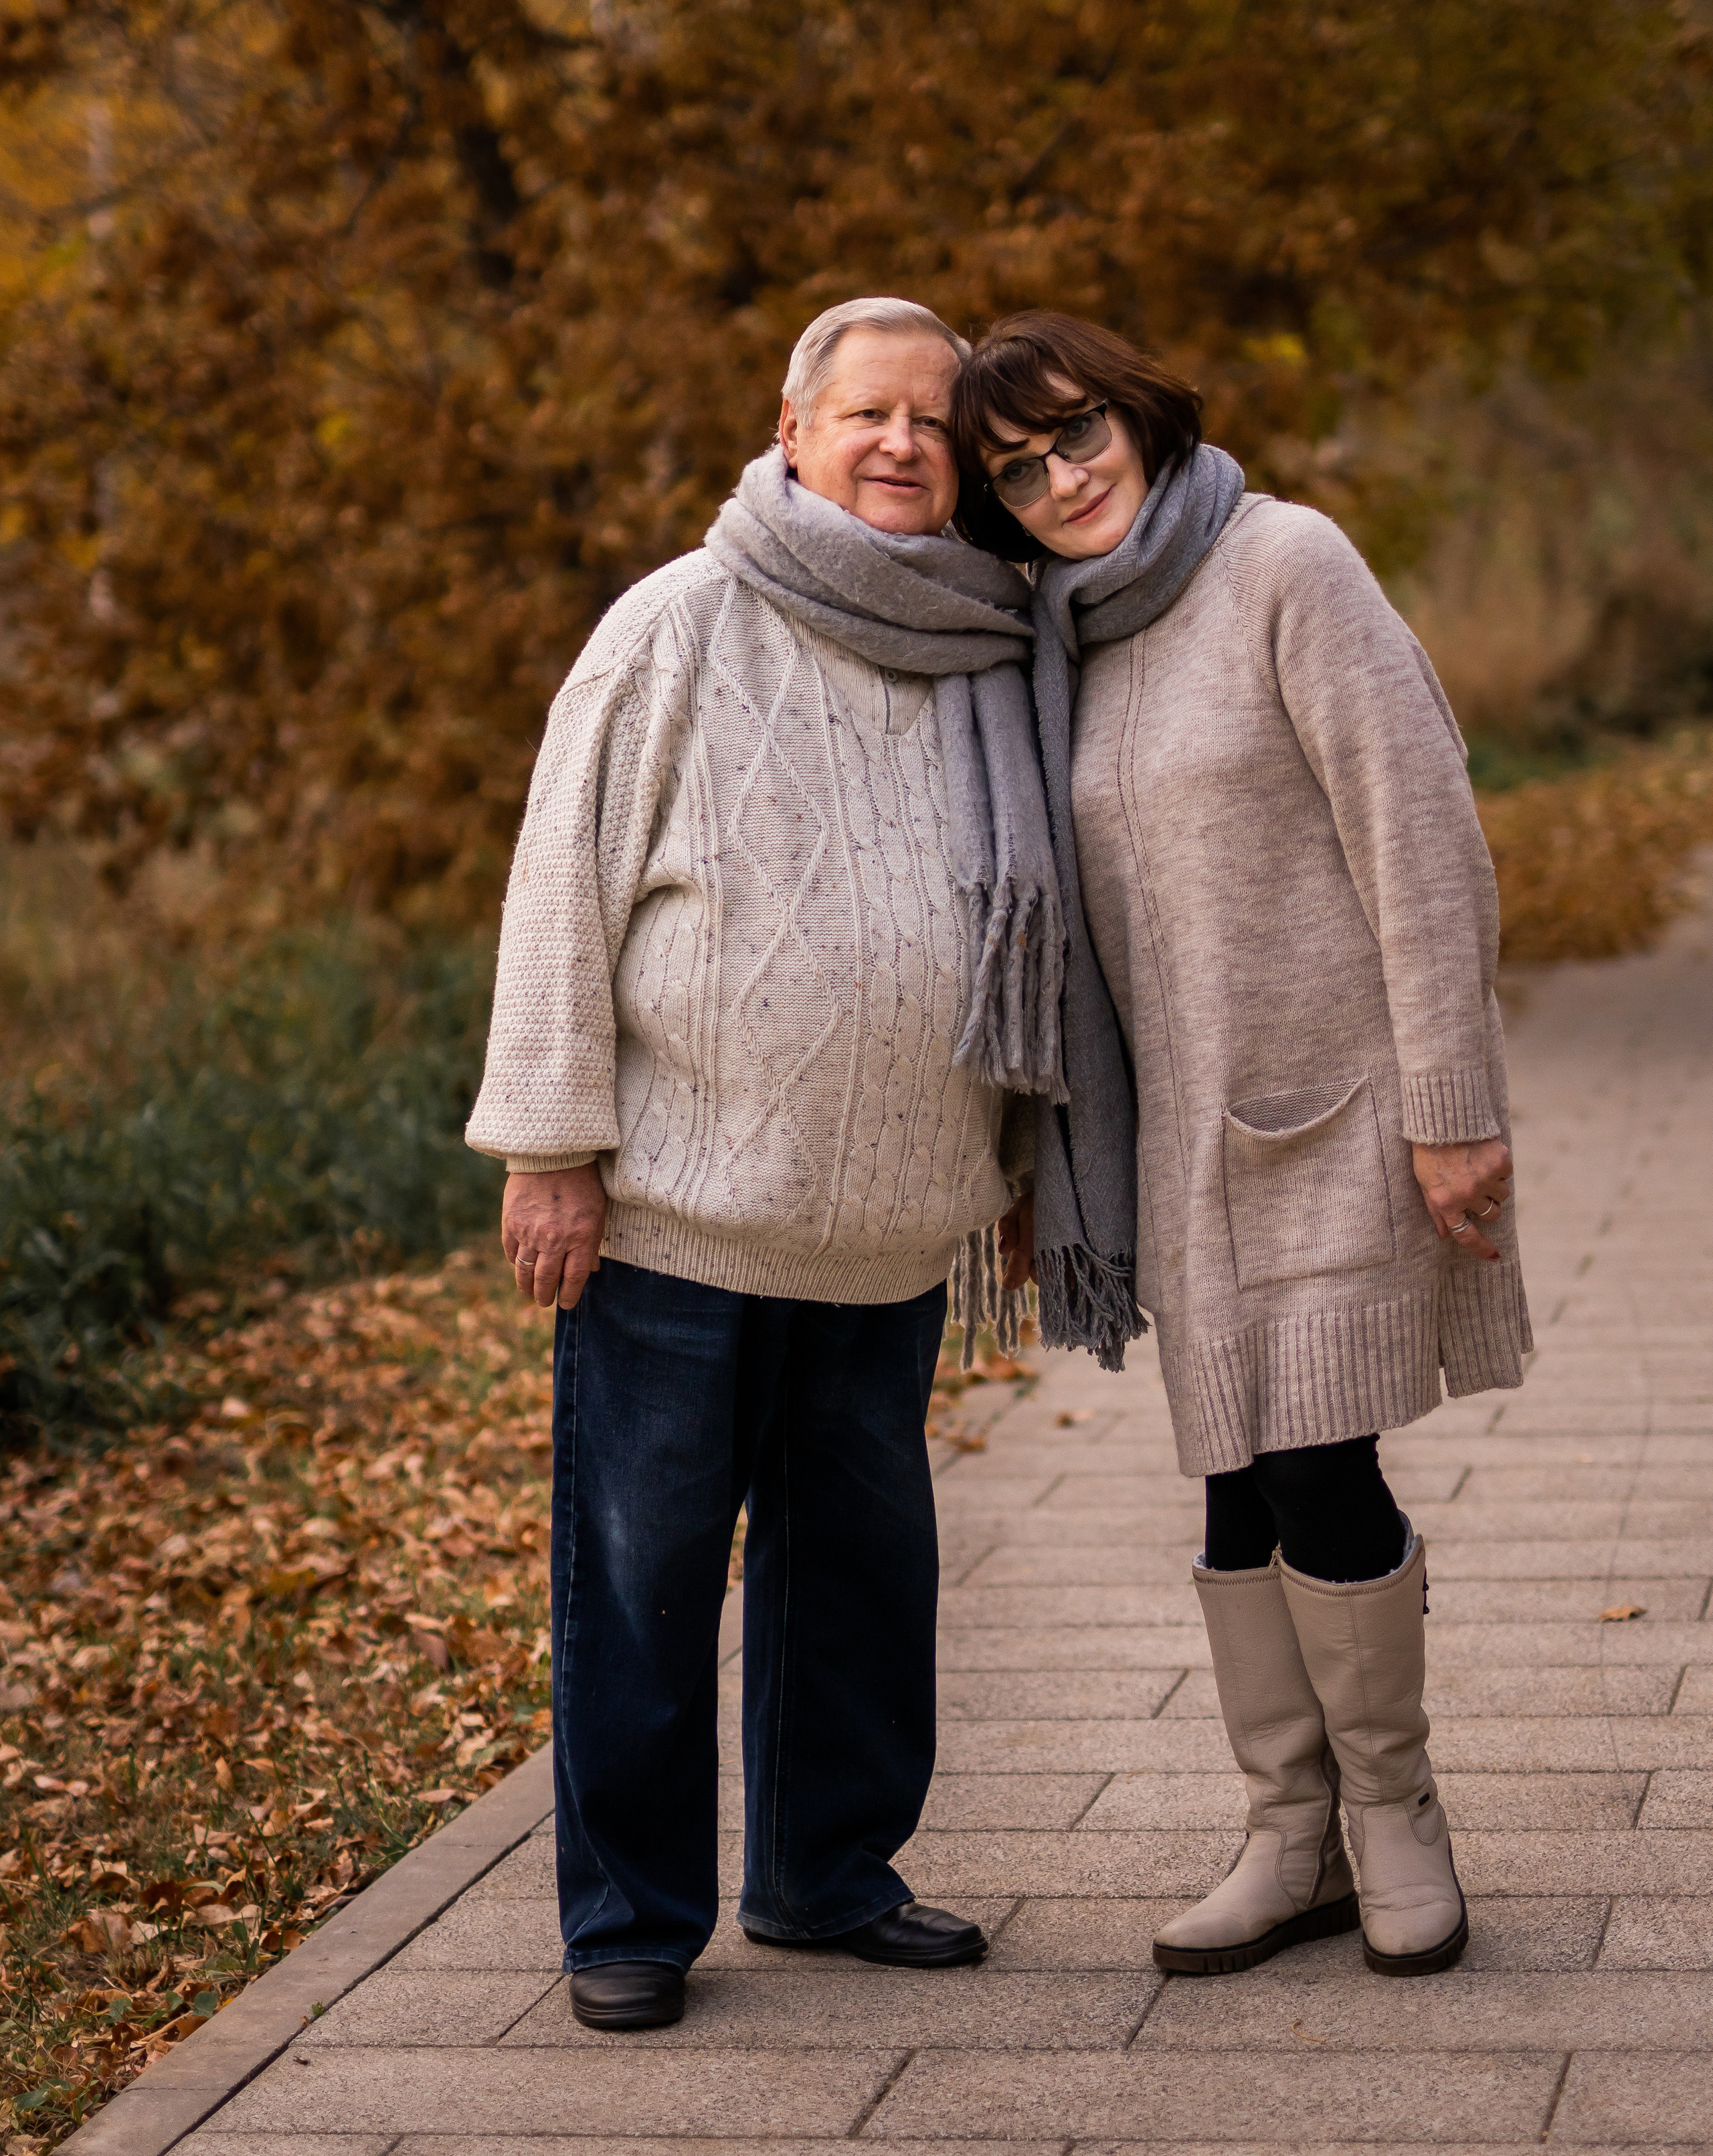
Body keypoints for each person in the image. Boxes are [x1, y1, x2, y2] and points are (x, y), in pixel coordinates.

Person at [466, 297, 1058, 2032]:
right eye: (867, 414)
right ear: (791, 428)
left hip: (890, 1223)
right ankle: (631, 1920)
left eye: (934, 426)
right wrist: (551, 1148)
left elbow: (1030, 933)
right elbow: (558, 894)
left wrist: (1019, 1161)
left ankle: (829, 1875)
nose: (901, 446)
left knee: (861, 1577)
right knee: (645, 1572)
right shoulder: (679, 624)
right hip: (679, 1217)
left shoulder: (989, 641)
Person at [954, 310, 1530, 1981]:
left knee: (1307, 1455)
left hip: (1327, 1108)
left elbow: (1421, 840)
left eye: (1073, 437)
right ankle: (1290, 1839)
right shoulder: (1062, 637)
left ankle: (1395, 1818)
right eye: (1015, 470)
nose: (1057, 480)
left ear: (1132, 413)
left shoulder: (1284, 562)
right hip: (1164, 1146)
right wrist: (1024, 1161)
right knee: (1228, 1469)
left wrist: (1451, 1108)